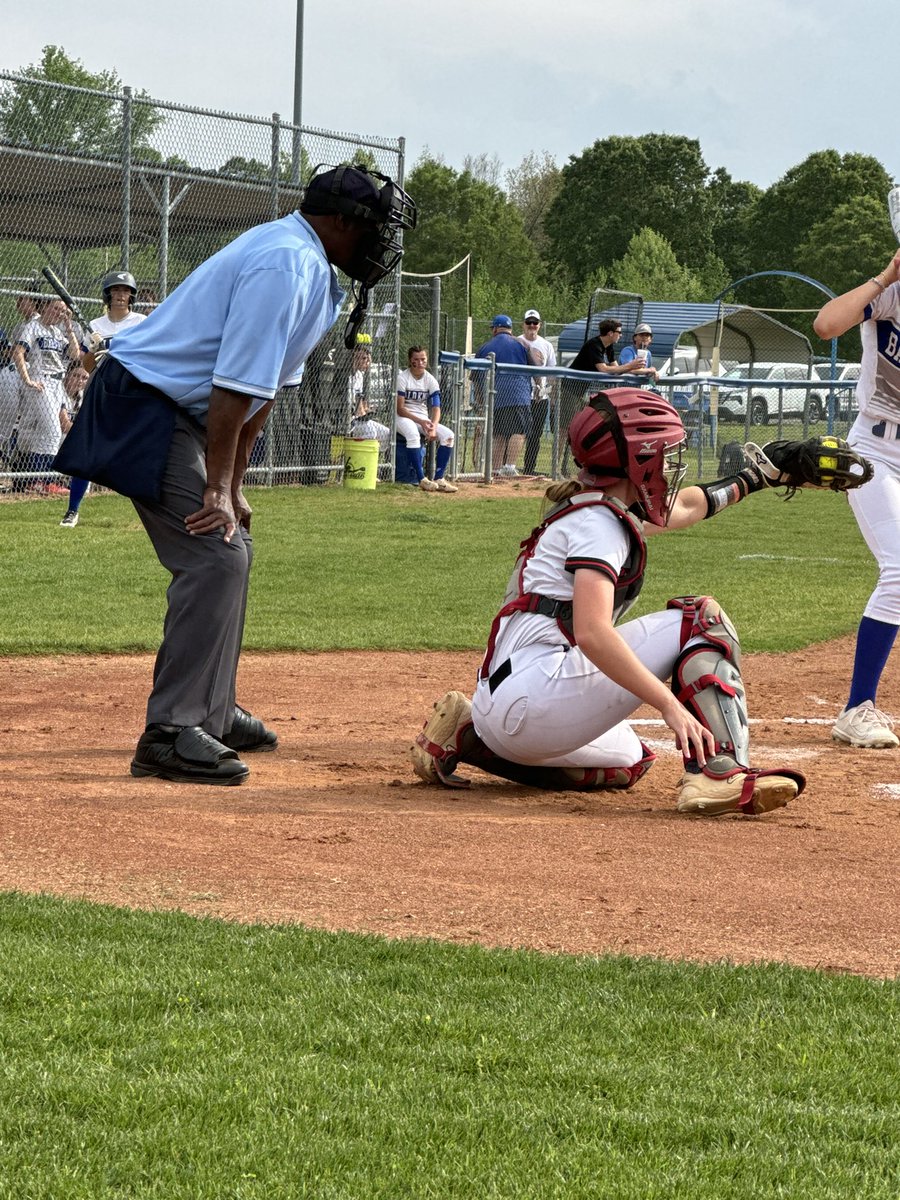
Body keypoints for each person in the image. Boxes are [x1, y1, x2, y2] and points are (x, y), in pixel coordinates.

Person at [55, 162, 416, 785]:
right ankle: (168, 732)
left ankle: (212, 712)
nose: (379, 243)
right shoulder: (285, 262)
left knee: (231, 545)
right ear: (335, 221)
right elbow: (229, 385)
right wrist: (215, 489)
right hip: (144, 405)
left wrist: (234, 485)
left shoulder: (317, 274)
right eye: (371, 227)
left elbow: (261, 393)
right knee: (214, 556)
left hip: (182, 412)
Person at [410, 388, 806, 816]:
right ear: (638, 460)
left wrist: (755, 478)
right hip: (536, 692)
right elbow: (593, 632)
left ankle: (469, 738)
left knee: (629, 761)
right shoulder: (601, 524)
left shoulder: (589, 508)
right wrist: (670, 706)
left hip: (506, 705)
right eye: (663, 454)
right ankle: (720, 772)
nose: (669, 465)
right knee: (701, 619)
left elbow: (688, 506)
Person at [813, 246, 900, 748]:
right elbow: (826, 325)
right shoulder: (890, 295)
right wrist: (887, 274)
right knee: (898, 569)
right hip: (875, 453)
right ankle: (857, 709)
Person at [58, 271, 148, 527]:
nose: (121, 295)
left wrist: (120, 350)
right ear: (107, 295)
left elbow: (147, 355)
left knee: (138, 452)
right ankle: (72, 510)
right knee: (88, 451)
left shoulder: (140, 322)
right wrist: (95, 349)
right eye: (116, 290)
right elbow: (86, 366)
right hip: (100, 391)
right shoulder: (96, 326)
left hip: (130, 391)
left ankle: (153, 513)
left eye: (125, 291)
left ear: (132, 295)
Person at [11, 297, 81, 491]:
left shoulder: (57, 332)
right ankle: (46, 480)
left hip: (58, 383)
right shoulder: (33, 327)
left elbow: (75, 355)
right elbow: (18, 352)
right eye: (56, 308)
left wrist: (68, 325)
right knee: (53, 431)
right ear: (45, 307)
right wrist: (27, 379)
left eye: (63, 311)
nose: (59, 313)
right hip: (41, 380)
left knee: (40, 433)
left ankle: (34, 480)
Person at [476, 315, 541, 477]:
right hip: (518, 393)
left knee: (499, 433)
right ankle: (510, 467)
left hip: (495, 395)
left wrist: (480, 399)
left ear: (496, 328)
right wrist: (539, 386)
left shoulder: (485, 347)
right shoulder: (521, 344)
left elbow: (476, 377)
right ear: (510, 329)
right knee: (519, 431)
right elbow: (535, 369)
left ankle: (496, 469)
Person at [395, 346, 458, 492]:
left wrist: (433, 426)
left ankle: (439, 478)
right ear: (410, 361)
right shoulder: (403, 378)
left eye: (423, 359)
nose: (420, 362)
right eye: (416, 359)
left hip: (422, 418)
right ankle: (421, 479)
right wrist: (422, 422)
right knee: (413, 434)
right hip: (403, 417)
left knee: (448, 435)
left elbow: (436, 408)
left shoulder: (430, 379)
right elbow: (400, 409)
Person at [518, 309, 557, 475]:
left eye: (535, 323)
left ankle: (529, 468)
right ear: (523, 324)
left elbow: (552, 372)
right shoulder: (517, 342)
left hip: (540, 397)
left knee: (535, 435)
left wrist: (550, 394)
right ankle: (507, 467)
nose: (532, 326)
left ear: (539, 325)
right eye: (529, 322)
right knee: (517, 432)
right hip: (520, 396)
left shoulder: (546, 345)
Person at [348, 339, 390, 449]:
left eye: (365, 358)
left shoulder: (359, 375)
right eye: (359, 358)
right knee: (370, 432)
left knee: (386, 434)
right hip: (348, 419)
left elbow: (359, 400)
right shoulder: (347, 376)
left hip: (358, 419)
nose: (364, 362)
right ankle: (359, 463)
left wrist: (367, 411)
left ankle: (373, 461)